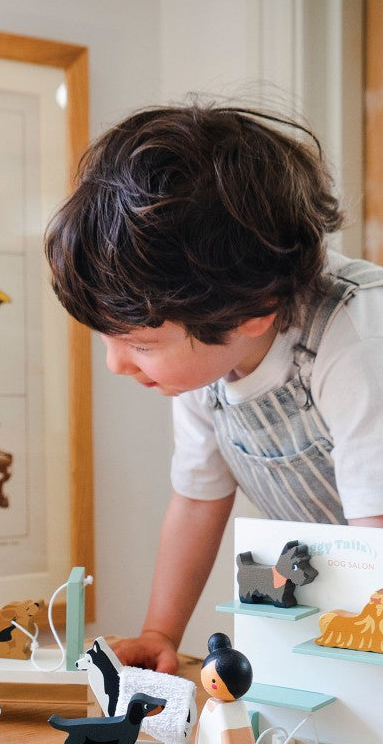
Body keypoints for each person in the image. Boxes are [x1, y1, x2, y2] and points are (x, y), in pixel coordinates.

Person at [45, 101, 383, 673]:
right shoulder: (209, 364)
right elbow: (199, 500)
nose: (116, 365)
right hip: (339, 585)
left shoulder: (356, 337)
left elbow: (374, 533)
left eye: (141, 344)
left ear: (252, 310)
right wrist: (161, 631)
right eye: (106, 338)